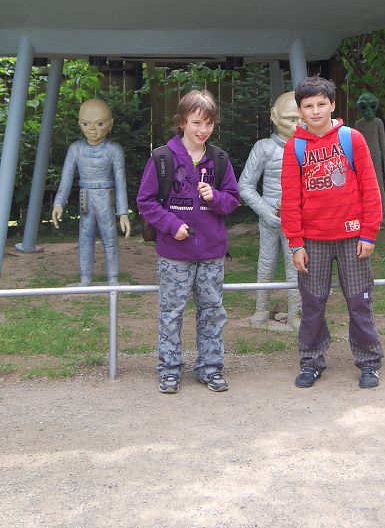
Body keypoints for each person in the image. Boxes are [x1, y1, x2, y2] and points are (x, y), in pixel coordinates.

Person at [281, 77, 383, 389]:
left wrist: (369, 233)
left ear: (333, 105)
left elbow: (370, 188)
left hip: (353, 239)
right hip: (313, 241)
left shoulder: (352, 139)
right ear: (300, 111)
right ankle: (311, 361)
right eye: (308, 106)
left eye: (321, 104)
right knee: (312, 305)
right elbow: (290, 199)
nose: (315, 111)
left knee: (359, 302)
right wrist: (295, 242)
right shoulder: (295, 147)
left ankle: (369, 362)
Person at [137, 89, 240, 395]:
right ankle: (169, 370)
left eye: (209, 123)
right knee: (171, 314)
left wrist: (215, 197)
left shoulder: (219, 159)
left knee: (212, 312)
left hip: (212, 254)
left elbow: (233, 201)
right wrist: (172, 225)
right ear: (182, 121)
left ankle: (210, 368)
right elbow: (145, 202)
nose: (202, 130)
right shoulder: (162, 158)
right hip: (174, 255)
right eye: (196, 122)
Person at [239, 91, 301, 331]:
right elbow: (245, 185)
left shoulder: (308, 147)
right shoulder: (264, 148)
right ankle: (261, 309)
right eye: (291, 119)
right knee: (266, 263)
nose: (297, 125)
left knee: (296, 266)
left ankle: (296, 313)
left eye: (301, 119)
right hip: (269, 218)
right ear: (274, 117)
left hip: (297, 220)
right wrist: (266, 212)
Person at [52, 98, 130, 286]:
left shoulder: (114, 150)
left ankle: (113, 279)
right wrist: (59, 202)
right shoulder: (75, 149)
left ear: (110, 124)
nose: (92, 129)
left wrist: (123, 213)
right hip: (85, 197)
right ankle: (85, 279)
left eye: (100, 123)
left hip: (106, 197)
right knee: (85, 238)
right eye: (86, 124)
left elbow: (121, 183)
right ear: (79, 123)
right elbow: (66, 179)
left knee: (110, 237)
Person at [354, 92, 385, 221]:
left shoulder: (378, 123)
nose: (368, 111)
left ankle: (383, 211)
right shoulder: (359, 124)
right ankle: (369, 213)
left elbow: (383, 144)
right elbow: (356, 144)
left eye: (372, 107)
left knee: (379, 183)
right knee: (365, 185)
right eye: (364, 107)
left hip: (376, 157)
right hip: (363, 158)